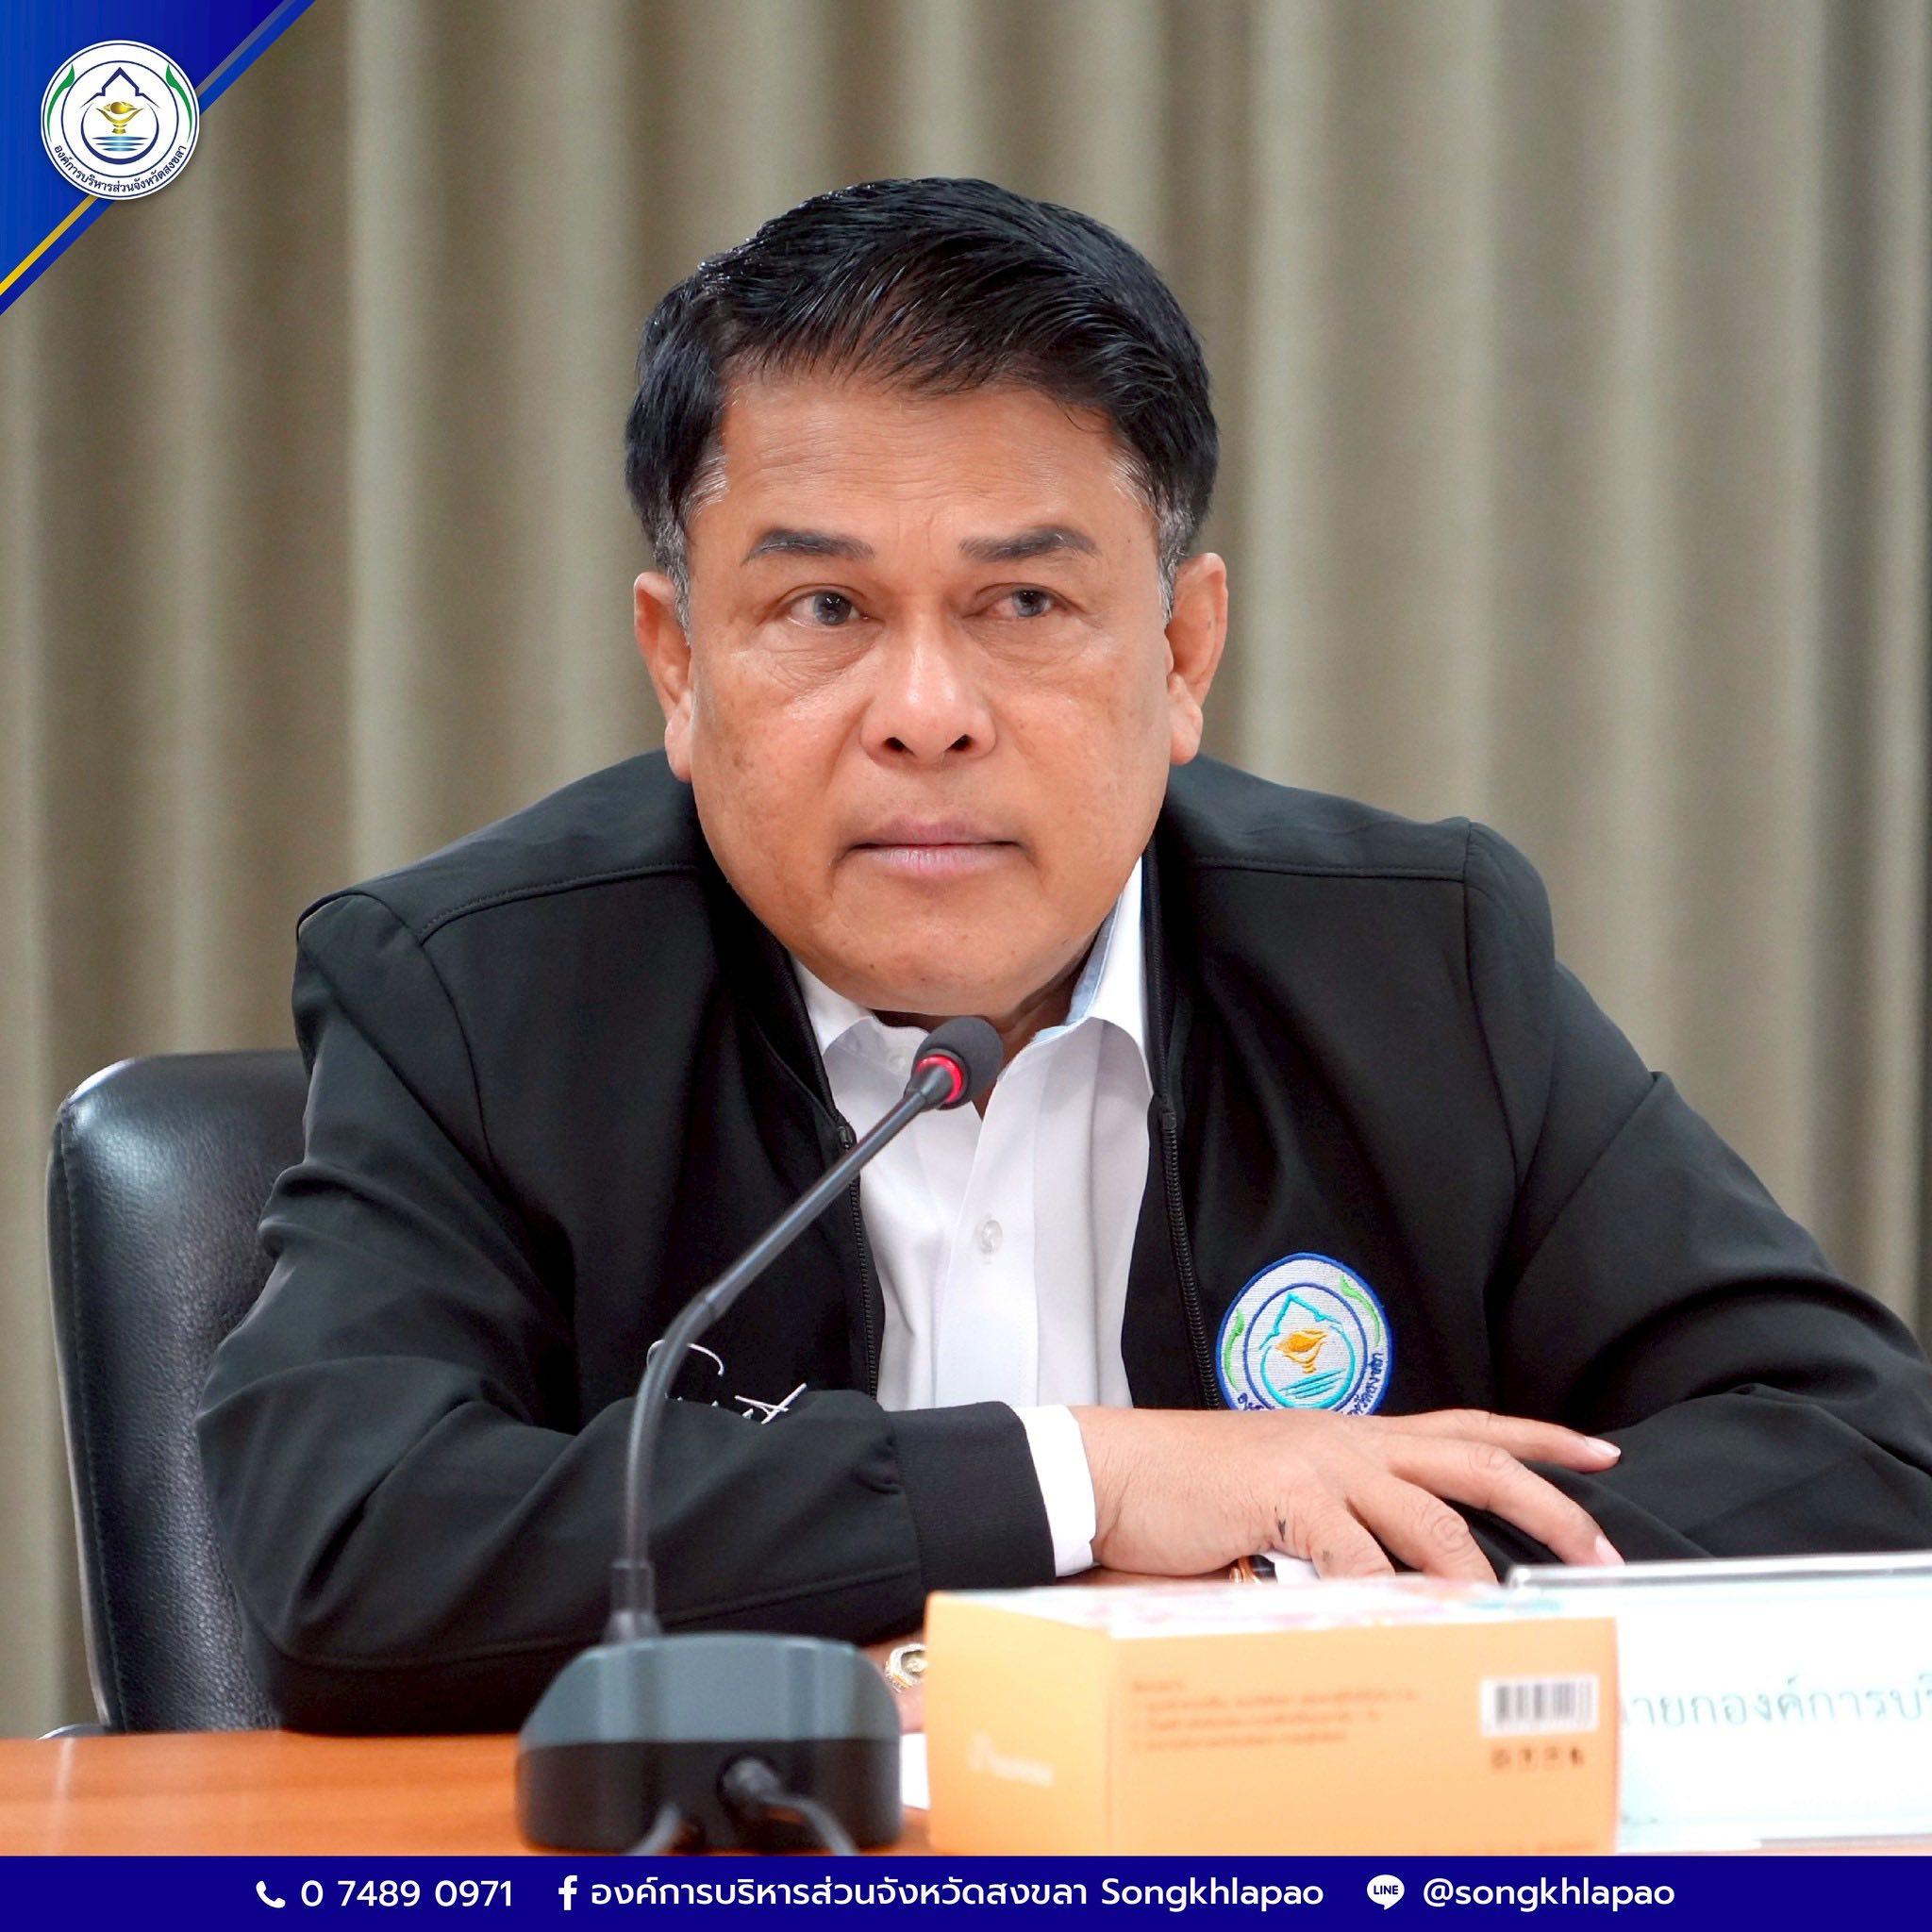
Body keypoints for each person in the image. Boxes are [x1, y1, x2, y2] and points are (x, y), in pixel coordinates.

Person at [197, 176, 1932, 1734]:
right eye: (824, 609)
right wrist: (1084, 1482)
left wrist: (1275, 1606)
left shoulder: (1418, 963)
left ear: (1182, 654)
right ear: (679, 661)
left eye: (1023, 605)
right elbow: (353, 1547)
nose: (927, 714)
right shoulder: (478, 988)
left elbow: (1859, 1452)